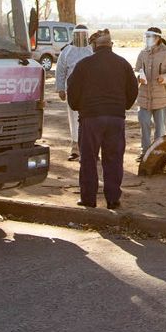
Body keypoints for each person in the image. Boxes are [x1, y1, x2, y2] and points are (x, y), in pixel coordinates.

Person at [66, 29, 138, 209]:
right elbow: (133, 89)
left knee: (89, 159)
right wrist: (122, 106)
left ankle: (88, 199)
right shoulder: (123, 64)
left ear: (94, 46)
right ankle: (113, 199)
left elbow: (72, 90)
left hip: (90, 118)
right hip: (115, 117)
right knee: (113, 159)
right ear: (111, 45)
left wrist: (79, 108)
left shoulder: (84, 64)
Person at [135, 26, 166, 159]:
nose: (148, 39)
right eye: (146, 36)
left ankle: (158, 153)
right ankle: (145, 152)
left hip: (161, 96)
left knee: (160, 127)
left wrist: (164, 78)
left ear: (158, 38)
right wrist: (138, 76)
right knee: (144, 123)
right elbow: (136, 70)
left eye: (150, 36)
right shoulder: (142, 53)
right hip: (144, 96)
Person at [54, 24, 93, 161]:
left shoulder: (91, 50)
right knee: (74, 120)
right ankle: (75, 149)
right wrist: (60, 89)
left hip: (90, 92)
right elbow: (60, 71)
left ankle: (91, 150)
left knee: (90, 121)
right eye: (78, 35)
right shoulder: (67, 51)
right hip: (72, 91)